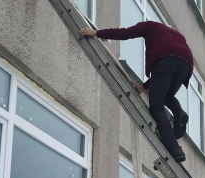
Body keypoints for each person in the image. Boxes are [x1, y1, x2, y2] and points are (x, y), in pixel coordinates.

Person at [80, 21, 194, 162]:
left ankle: (175, 149)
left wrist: (96, 33)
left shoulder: (150, 25)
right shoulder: (177, 35)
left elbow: (125, 33)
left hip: (166, 60)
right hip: (186, 64)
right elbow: (165, 70)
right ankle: (178, 113)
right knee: (167, 95)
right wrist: (143, 87)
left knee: (156, 108)